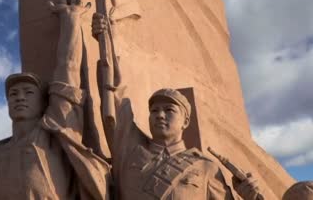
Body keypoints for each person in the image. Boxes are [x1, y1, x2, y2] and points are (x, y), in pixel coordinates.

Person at [92, 14, 262, 200]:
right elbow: (115, 96)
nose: (160, 115)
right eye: (154, 111)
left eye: (169, 110)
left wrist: (249, 198)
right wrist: (107, 43)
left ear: (185, 121)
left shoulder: (206, 168)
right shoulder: (131, 149)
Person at [0, 0, 111, 200]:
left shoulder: (54, 131)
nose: (19, 98)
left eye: (28, 93)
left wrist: (71, 20)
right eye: (13, 94)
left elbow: (68, 69)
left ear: (43, 101)